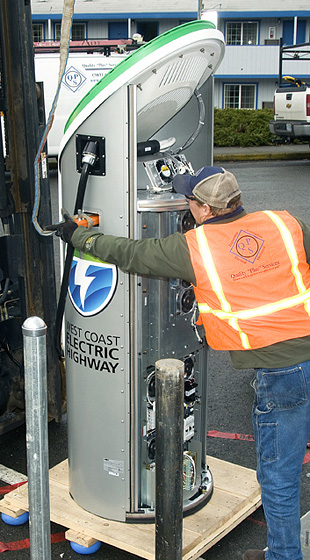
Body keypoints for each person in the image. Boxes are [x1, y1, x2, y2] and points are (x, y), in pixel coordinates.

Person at [51, 166, 310, 560]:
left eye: (190, 200)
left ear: (203, 208)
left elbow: (130, 254)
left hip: (284, 376)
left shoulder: (195, 247)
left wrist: (78, 235)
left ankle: (284, 557)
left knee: (278, 477)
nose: (187, 205)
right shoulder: (285, 224)